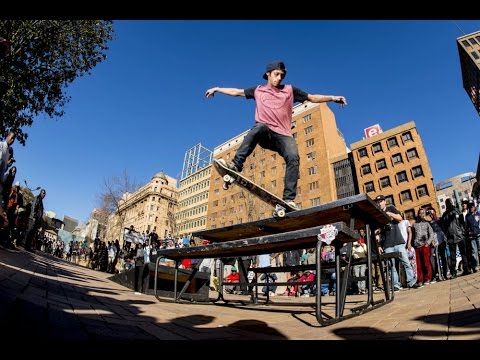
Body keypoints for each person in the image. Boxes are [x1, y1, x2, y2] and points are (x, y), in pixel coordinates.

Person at [205, 60, 347, 209]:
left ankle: (288, 199)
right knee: (258, 128)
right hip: (265, 133)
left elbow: (311, 97)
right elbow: (237, 92)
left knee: (293, 157)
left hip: (283, 135)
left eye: (282, 75)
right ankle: (236, 165)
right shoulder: (258, 90)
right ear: (268, 74)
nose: (279, 78)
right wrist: (217, 89)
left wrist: (332, 97)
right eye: (276, 74)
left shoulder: (290, 90)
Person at [374, 195, 420, 290]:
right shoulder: (377, 214)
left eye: (381, 201)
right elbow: (377, 232)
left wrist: (390, 214)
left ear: (385, 202)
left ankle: (411, 282)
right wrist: (378, 245)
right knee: (391, 266)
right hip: (387, 244)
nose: (379, 203)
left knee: (406, 262)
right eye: (377, 202)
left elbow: (400, 219)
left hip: (398, 241)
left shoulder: (391, 208)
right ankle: (396, 285)